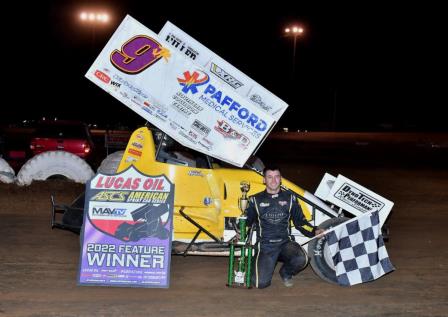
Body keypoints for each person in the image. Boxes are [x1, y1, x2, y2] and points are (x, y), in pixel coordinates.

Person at [246, 166, 325, 288]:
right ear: (264, 180)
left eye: (277, 176)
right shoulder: (254, 200)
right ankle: (259, 263)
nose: (274, 180)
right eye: (270, 177)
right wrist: (240, 232)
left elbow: (301, 223)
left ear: (281, 179)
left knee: (301, 258)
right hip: (265, 246)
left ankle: (286, 272)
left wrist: (315, 231)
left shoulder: (290, 198)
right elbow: (247, 223)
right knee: (260, 284)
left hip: (285, 244)